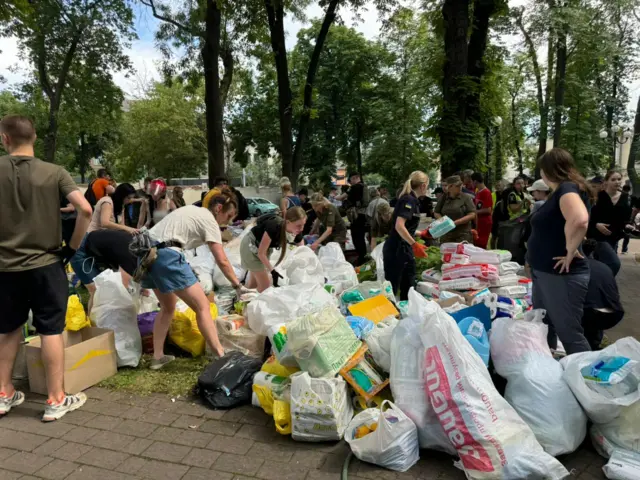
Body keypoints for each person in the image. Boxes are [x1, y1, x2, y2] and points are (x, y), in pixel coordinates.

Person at [0, 115, 93, 421]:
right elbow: (85, 208)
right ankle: (55, 399)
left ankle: (3, 394)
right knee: (51, 329)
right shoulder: (54, 172)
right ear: (35, 138)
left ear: (5, 139)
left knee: (9, 328)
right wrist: (72, 248)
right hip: (46, 263)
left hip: (5, 267)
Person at [132, 192, 247, 369]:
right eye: (229, 215)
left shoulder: (192, 210)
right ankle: (221, 356)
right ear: (218, 208)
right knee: (203, 306)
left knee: (168, 307)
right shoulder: (208, 219)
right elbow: (221, 259)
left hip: (147, 255)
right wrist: (238, 286)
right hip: (166, 255)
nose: (228, 222)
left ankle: (157, 357)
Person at [527, 148, 592, 355]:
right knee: (544, 325)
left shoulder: (567, 189)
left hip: (559, 275)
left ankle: (588, 379)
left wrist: (570, 250)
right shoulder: (563, 191)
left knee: (569, 333)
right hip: (545, 272)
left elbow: (580, 219)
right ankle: (551, 368)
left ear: (548, 170)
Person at [70, 183, 139, 311]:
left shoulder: (120, 207)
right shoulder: (107, 202)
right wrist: (128, 229)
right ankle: (92, 327)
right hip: (85, 248)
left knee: (105, 289)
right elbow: (105, 223)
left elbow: (121, 230)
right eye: (128, 198)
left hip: (101, 250)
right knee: (95, 291)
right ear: (121, 195)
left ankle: (103, 323)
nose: (130, 201)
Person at [383, 171, 429, 300]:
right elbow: (399, 226)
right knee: (393, 286)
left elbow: (406, 227)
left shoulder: (412, 200)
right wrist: (414, 244)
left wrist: (422, 233)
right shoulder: (408, 200)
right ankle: (391, 316)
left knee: (408, 284)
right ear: (423, 185)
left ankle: (406, 312)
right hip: (397, 249)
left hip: (403, 248)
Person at [240, 207, 306, 292]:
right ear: (288, 222)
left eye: (304, 224)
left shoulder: (297, 231)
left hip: (263, 249)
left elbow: (303, 250)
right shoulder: (274, 226)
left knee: (254, 284)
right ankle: (247, 301)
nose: (302, 229)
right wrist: (273, 271)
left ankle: (244, 301)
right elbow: (261, 253)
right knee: (265, 287)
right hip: (251, 247)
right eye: (299, 225)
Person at [581, 240, 624, 350]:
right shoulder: (604, 267)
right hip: (613, 313)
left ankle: (586, 348)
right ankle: (594, 345)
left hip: (591, 314)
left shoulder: (577, 266)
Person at [588, 169, 631, 276]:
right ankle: (605, 286)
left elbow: (626, 219)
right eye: (613, 179)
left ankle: (599, 287)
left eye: (619, 179)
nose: (617, 182)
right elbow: (587, 216)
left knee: (602, 264)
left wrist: (629, 226)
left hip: (614, 238)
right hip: (598, 237)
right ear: (606, 181)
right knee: (614, 263)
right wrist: (596, 224)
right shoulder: (598, 196)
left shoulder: (625, 197)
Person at [434, 176, 476, 243]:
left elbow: (472, 214)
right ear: (450, 187)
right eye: (457, 186)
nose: (460, 187)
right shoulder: (444, 197)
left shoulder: (466, 197)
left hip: (463, 235)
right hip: (447, 234)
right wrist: (443, 221)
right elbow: (436, 212)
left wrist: (457, 222)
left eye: (461, 185)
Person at [338, 172, 368, 265]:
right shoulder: (364, 186)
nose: (350, 183)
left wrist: (334, 196)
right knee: (361, 238)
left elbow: (340, 198)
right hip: (363, 215)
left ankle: (361, 259)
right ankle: (364, 257)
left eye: (350, 180)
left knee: (356, 238)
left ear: (354, 178)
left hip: (356, 216)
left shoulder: (354, 187)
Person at [471, 172, 493, 249]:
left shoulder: (486, 192)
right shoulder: (478, 191)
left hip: (485, 222)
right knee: (477, 242)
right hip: (479, 221)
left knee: (481, 244)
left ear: (475, 181)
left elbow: (488, 210)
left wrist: (474, 212)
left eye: (471, 181)